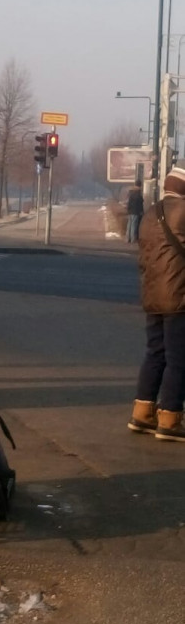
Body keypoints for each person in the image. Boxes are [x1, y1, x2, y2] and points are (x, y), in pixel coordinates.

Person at [128, 163, 185, 442]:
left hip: (153, 294)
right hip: (179, 295)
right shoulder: (182, 211)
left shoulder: (152, 212)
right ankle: (170, 417)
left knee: (155, 353)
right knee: (179, 359)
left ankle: (142, 413)